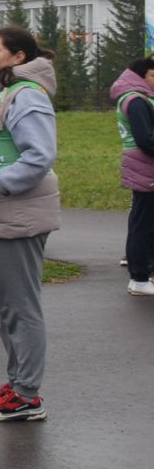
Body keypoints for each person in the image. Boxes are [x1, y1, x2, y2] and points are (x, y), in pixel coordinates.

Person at [0, 27, 60, 422]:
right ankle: (17, 380)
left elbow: (39, 155)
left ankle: (28, 394)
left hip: (14, 212)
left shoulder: (26, 96)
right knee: (4, 306)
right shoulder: (0, 91)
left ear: (18, 57)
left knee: (20, 306)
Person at [109, 56, 154, 296]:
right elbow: (146, 139)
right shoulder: (136, 100)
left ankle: (144, 273)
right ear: (141, 77)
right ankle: (139, 277)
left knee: (144, 221)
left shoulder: (140, 98)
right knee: (144, 224)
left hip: (143, 166)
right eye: (153, 75)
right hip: (146, 167)